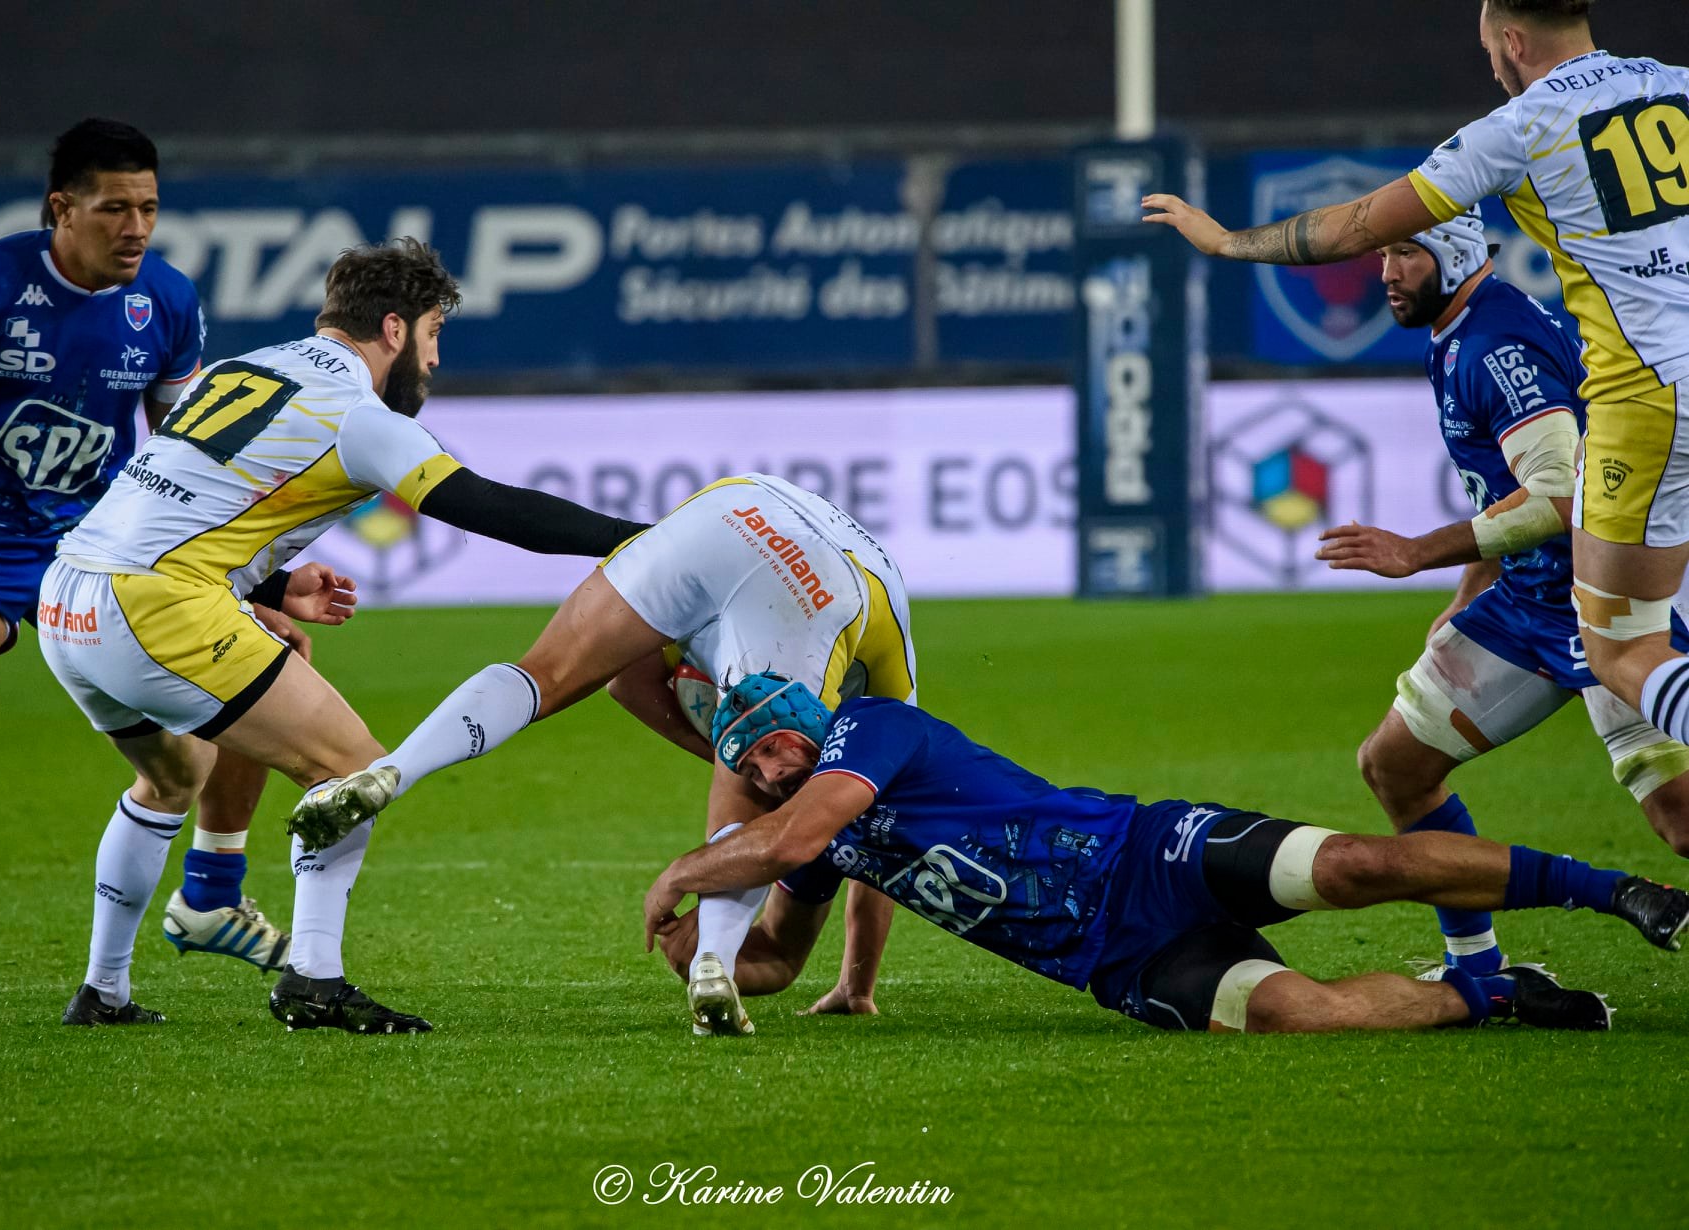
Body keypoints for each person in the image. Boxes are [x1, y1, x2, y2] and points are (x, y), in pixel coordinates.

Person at [39, 236, 648, 1034]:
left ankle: (103, 991)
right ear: (395, 330)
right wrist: (652, 537)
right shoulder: (358, 415)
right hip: (151, 609)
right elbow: (496, 511)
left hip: (68, 598)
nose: (433, 360)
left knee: (170, 776)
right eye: (433, 335)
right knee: (356, 772)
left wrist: (277, 584)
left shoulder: (240, 370)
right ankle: (313, 981)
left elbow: (180, 502)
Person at [1142, 1, 1689, 778]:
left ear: (1509, 41)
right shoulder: (1676, 86)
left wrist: (1226, 240)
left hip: (1650, 398)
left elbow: (1356, 223)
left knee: (1624, 647)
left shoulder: (1520, 125)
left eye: (1487, 50)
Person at [0, 119, 291, 1035]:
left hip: (95, 548)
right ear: (63, 208)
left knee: (247, 683)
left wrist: (266, 583)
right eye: (115, 207)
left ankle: (198, 901)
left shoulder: (164, 303)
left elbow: (186, 451)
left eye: (150, 208)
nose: (137, 227)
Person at [644, 674, 1689, 1035]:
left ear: (803, 720)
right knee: (1297, 1014)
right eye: (751, 765)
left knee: (1359, 870)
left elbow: (796, 833)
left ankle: (1615, 890)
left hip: (1150, 853)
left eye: (771, 747)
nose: (768, 771)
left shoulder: (868, 726)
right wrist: (700, 952)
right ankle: (1491, 997)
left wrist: (690, 866)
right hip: (1121, 961)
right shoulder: (811, 832)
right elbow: (776, 957)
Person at [288, 472, 919, 1035]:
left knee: (542, 674)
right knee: (759, 787)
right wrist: (857, 986)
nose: (774, 772)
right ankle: (713, 966)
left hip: (724, 513)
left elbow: (627, 680)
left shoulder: (738, 650)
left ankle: (393, 770)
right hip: (810, 584)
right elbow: (881, 823)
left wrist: (731, 750)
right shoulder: (889, 694)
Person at [1314, 211, 1689, 979]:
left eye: (1405, 254)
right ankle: (1474, 967)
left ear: (1454, 256)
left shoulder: (1494, 346)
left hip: (1606, 601)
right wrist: (1468, 593)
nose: (1386, 273)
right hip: (1529, 606)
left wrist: (1414, 551)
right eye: (1382, 255)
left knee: (1681, 822)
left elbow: (1556, 497)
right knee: (1395, 768)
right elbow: (1506, 488)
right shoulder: (1464, 327)